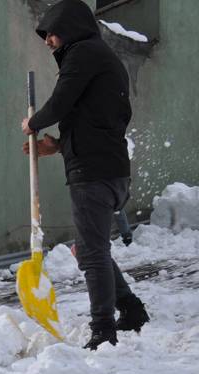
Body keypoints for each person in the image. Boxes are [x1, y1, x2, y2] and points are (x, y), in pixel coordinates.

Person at [22, 0, 149, 350]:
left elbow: (61, 102)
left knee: (92, 253)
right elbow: (96, 126)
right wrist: (59, 146)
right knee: (90, 249)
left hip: (93, 175)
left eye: (51, 33)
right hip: (110, 169)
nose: (48, 41)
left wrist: (32, 123)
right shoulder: (99, 58)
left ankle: (103, 332)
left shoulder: (83, 55)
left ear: (70, 27)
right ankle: (131, 308)